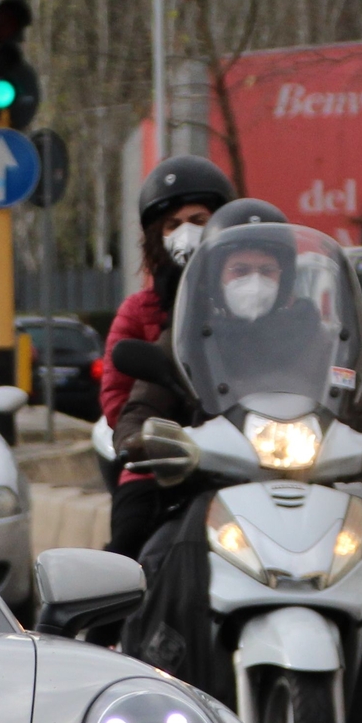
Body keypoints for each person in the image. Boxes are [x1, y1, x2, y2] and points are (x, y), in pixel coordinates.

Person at [100, 156, 235, 555]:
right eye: (173, 225)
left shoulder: (247, 308)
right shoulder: (138, 312)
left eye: (198, 219)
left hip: (245, 457)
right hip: (158, 467)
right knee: (128, 550)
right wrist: (159, 439)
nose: (186, 233)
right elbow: (117, 401)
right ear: (156, 236)